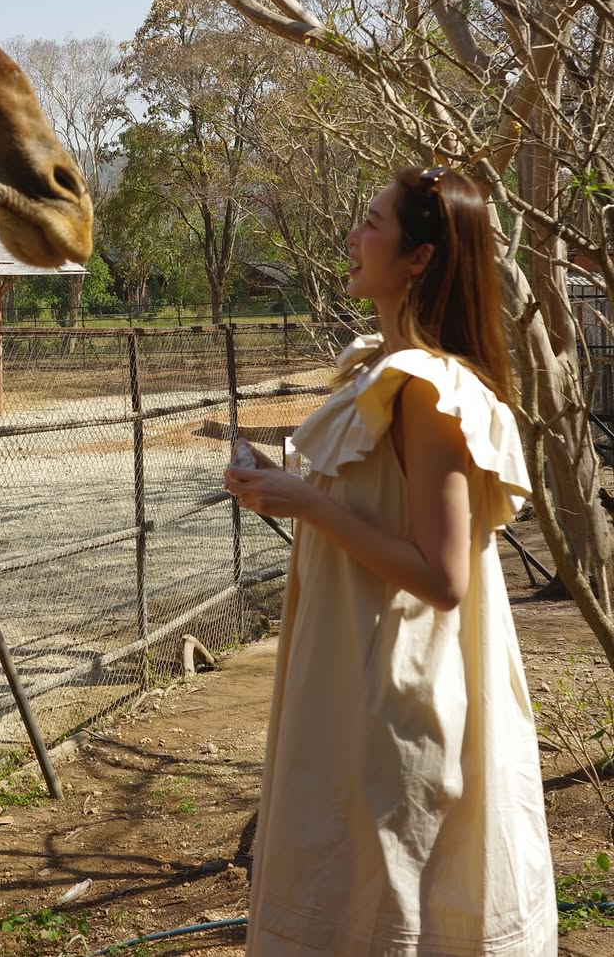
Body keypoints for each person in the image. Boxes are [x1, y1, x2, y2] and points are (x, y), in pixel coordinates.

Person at [224, 166, 557, 956]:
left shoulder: (426, 388)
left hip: (395, 695)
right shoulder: (379, 368)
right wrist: (284, 488)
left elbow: (444, 578)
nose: (353, 235)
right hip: (351, 676)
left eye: (371, 222)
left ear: (419, 258)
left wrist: (306, 504)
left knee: (389, 912)